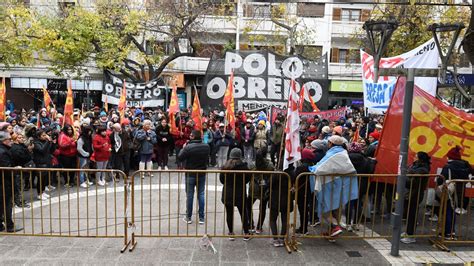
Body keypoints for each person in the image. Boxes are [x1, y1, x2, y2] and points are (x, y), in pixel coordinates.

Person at [308, 135, 358, 241]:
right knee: (335, 209)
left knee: (325, 209)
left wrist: (312, 168)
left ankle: (335, 227)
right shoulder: (344, 153)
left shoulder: (333, 153)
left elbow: (320, 168)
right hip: (339, 185)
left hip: (330, 186)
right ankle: (333, 233)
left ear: (331, 144)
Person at [178, 130, 210, 224]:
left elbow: (180, 157)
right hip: (201, 173)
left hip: (190, 173)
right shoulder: (206, 146)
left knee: (190, 195)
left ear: (193, 137)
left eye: (191, 135)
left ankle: (188, 217)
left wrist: (183, 148)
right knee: (201, 194)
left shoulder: (188, 147)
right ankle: (201, 218)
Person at [220, 148, 251, 241]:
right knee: (243, 213)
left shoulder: (225, 166)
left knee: (229, 213)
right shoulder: (244, 167)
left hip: (228, 193)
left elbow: (222, 180)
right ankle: (246, 233)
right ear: (240, 156)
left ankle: (231, 233)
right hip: (240, 193)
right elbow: (247, 180)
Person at [401, 152, 431, 244]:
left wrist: (404, 177)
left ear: (420, 159)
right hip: (410, 193)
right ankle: (408, 232)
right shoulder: (415, 167)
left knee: (412, 215)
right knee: (409, 215)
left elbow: (412, 183)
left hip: (415, 194)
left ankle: (411, 235)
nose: (414, 157)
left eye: (415, 156)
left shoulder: (422, 170)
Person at [0, 132, 24, 232]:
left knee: (2, 204)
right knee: (7, 204)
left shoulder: (5, 149)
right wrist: (15, 168)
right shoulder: (3, 152)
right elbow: (6, 167)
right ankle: (10, 226)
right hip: (4, 182)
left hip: (4, 181)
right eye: (10, 139)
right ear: (4, 141)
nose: (11, 141)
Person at [249, 147, 272, 234]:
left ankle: (251, 224)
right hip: (265, 188)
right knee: (262, 208)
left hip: (254, 188)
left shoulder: (252, 165)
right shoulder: (269, 165)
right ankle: (259, 227)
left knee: (248, 205)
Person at [10, 133, 33, 208]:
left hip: (21, 169)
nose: (22, 139)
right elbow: (23, 158)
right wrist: (28, 151)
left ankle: (18, 200)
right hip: (17, 170)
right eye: (20, 138)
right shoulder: (15, 148)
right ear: (15, 139)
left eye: (22, 137)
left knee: (20, 185)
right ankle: (18, 201)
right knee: (18, 186)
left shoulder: (21, 145)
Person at [33, 130, 55, 200]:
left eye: (45, 135)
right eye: (43, 135)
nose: (45, 136)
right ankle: (39, 193)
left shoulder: (45, 142)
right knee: (40, 180)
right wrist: (48, 141)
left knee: (45, 179)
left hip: (47, 162)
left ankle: (42, 192)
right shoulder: (36, 143)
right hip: (40, 164)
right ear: (38, 136)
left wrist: (53, 143)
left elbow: (51, 151)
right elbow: (42, 150)